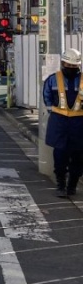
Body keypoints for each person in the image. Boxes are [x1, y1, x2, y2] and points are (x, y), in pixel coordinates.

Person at [43, 48, 83, 198]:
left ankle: (72, 186)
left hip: (79, 123)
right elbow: (46, 98)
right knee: (60, 156)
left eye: (74, 66)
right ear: (63, 63)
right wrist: (53, 112)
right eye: (68, 65)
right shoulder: (53, 79)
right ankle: (61, 185)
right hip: (59, 122)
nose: (71, 68)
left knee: (78, 158)